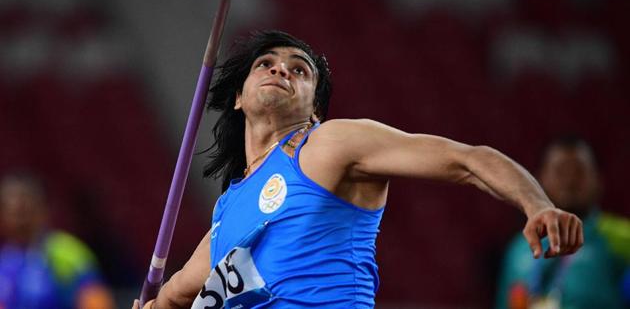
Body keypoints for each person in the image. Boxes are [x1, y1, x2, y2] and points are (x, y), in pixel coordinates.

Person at [134, 30, 583, 309]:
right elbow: (175, 294)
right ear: (238, 97)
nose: (281, 71)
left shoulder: (327, 144)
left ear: (315, 108)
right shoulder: (227, 212)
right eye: (265, 65)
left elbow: (468, 160)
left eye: (299, 70)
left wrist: (537, 204)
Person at [495, 136, 627, 309]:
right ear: (538, 180)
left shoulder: (622, 239)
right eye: (560, 172)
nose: (569, 181)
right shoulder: (518, 249)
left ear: (598, 181)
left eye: (579, 172)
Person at [0, 172, 115, 309]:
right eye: (11, 211)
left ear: (43, 209)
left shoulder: (68, 253)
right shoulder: (4, 261)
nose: (19, 221)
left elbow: (98, 304)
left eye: (23, 210)